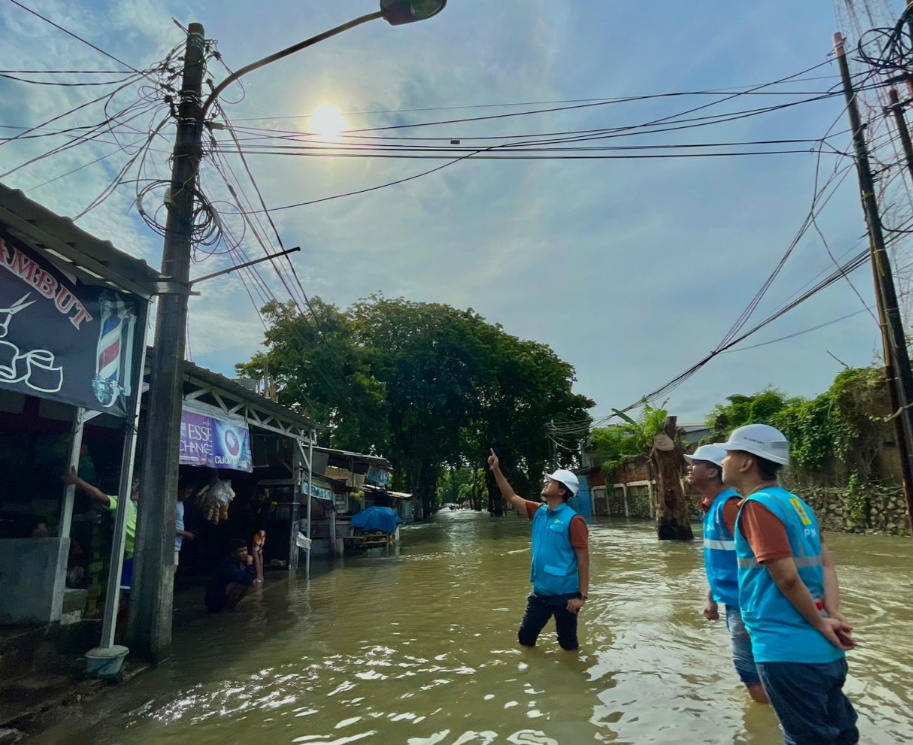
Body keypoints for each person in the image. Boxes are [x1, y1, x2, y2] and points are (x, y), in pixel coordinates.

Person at [718, 424, 859, 745]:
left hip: (787, 649)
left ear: (746, 462)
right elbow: (825, 562)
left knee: (806, 738)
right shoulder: (796, 504)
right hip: (825, 650)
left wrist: (820, 623)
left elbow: (786, 575)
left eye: (729, 453)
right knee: (840, 732)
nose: (723, 460)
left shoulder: (757, 506)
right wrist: (830, 614)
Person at [686, 444, 768, 703]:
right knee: (750, 668)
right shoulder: (711, 506)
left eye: (695, 463)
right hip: (733, 600)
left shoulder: (730, 506)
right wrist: (712, 599)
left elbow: (759, 556)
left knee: (750, 668)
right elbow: (722, 560)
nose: (689, 468)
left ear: (712, 472)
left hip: (747, 603)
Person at [487, 448, 589, 651]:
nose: (546, 482)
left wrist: (581, 597)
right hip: (540, 592)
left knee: (567, 644)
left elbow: (584, 560)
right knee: (525, 637)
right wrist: (496, 470)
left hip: (566, 596)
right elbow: (511, 495)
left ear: (562, 491)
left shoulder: (574, 520)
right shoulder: (539, 512)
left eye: (551, 481)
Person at [63, 467, 137, 591]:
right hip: (132, 550)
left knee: (123, 591)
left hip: (131, 552)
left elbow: (99, 496)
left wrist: (77, 481)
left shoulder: (124, 502)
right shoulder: (134, 506)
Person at [204, 539, 260, 613]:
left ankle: (232, 607)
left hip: (223, 594)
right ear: (233, 553)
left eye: (245, 550)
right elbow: (241, 579)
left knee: (249, 584)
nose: (245, 553)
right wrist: (249, 564)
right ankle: (224, 609)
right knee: (239, 584)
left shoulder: (241, 562)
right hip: (215, 600)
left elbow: (250, 579)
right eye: (241, 551)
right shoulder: (229, 564)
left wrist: (250, 565)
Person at [175, 482, 196, 572]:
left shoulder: (181, 504)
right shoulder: (171, 504)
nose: (186, 496)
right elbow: (164, 526)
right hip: (170, 544)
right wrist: (184, 533)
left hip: (177, 543)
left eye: (189, 493)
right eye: (184, 493)